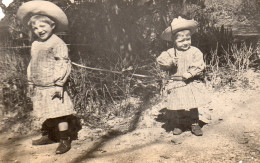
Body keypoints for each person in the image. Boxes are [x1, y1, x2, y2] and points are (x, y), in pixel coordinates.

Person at [17, 1, 81, 154]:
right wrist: (30, 80)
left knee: (59, 114)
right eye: (35, 28)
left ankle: (65, 139)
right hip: (40, 86)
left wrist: (60, 84)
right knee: (46, 112)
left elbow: (63, 64)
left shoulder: (57, 43)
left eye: (42, 26)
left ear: (52, 26)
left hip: (53, 86)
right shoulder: (35, 44)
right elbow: (33, 63)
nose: (39, 30)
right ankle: (50, 136)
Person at [156, 16, 210, 136]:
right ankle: (180, 123)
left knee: (192, 104)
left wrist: (190, 73)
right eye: (181, 41)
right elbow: (161, 61)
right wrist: (170, 63)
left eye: (188, 39)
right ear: (174, 41)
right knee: (178, 105)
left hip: (191, 82)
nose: (185, 43)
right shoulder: (170, 53)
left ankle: (194, 123)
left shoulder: (195, 51)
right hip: (176, 83)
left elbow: (199, 65)